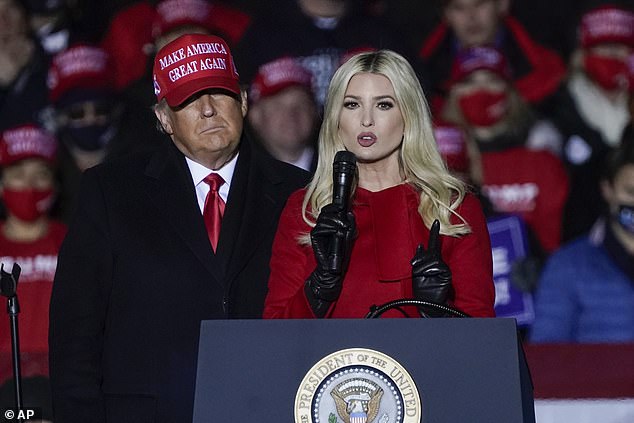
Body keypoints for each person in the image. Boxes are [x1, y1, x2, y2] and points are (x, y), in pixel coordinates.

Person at [48, 33, 309, 422]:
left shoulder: (298, 192)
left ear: (242, 100)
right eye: (188, 99)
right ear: (163, 118)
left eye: (219, 94)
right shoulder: (111, 191)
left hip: (267, 407)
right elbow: (76, 334)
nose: (207, 110)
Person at [263, 50, 495, 319]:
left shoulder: (453, 207)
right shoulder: (307, 210)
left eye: (383, 105)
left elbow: (482, 340)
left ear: (409, 115)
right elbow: (276, 334)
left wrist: (439, 314)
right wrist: (317, 290)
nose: (366, 120)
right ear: (335, 119)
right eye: (352, 105)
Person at [440, 46, 569, 255]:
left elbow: (557, 241)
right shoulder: (436, 160)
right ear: (453, 93)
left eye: (492, 80)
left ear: (510, 91)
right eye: (469, 82)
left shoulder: (542, 160)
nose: (481, 91)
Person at [529, 125, 634, 343]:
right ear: (607, 189)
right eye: (631, 192)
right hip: (598, 378)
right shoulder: (568, 265)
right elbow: (547, 353)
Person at [543, 4, 634, 241]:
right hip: (579, 241)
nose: (613, 56)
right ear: (582, 54)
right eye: (603, 47)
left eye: (622, 47)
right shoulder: (555, 114)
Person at [0, 124, 65, 386]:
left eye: (40, 174)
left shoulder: (74, 242)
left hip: (58, 384)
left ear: (55, 185)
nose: (29, 185)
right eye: (18, 174)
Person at [418, 0, 566, 113]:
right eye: (459, 7)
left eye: (480, 3)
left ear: (502, 4)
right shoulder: (419, 76)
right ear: (446, 15)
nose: (471, 17)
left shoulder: (546, 67)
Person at [247, 56, 319, 172]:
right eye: (278, 106)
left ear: (314, 111)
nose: (291, 115)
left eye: (301, 104)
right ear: (255, 116)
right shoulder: (244, 175)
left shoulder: (340, 168)